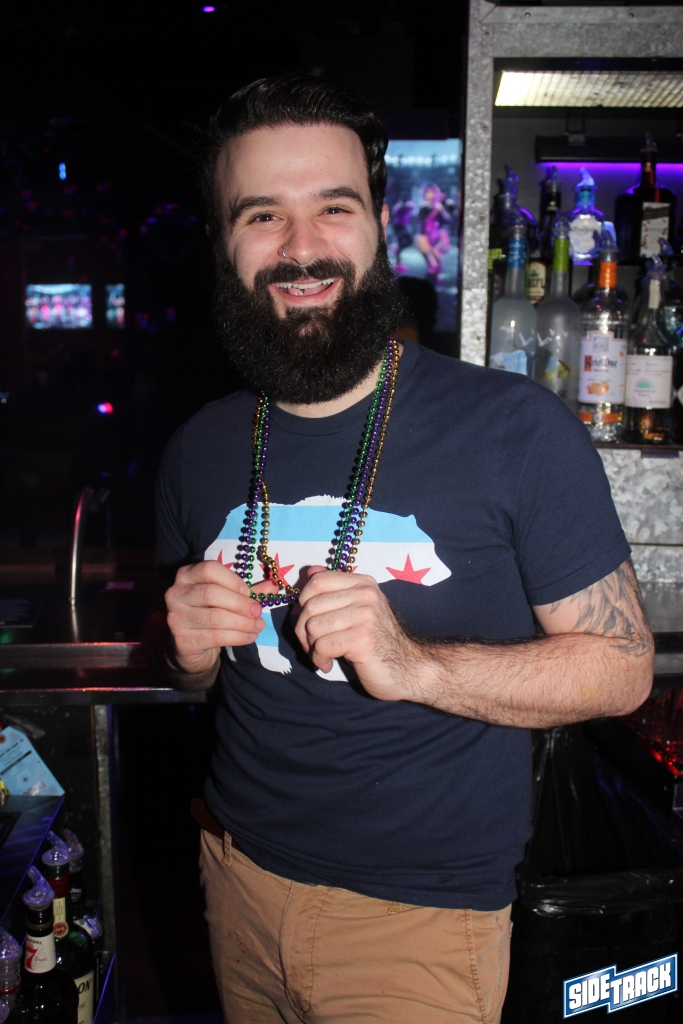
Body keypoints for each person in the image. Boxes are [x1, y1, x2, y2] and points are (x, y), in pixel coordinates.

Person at [149, 74, 653, 1024]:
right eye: (262, 215)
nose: (301, 247)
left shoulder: (513, 429)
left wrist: (414, 664)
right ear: (222, 241)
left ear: (380, 224)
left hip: (419, 922)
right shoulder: (198, 448)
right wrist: (184, 654)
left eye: (333, 207)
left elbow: (622, 669)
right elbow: (201, 683)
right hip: (235, 881)